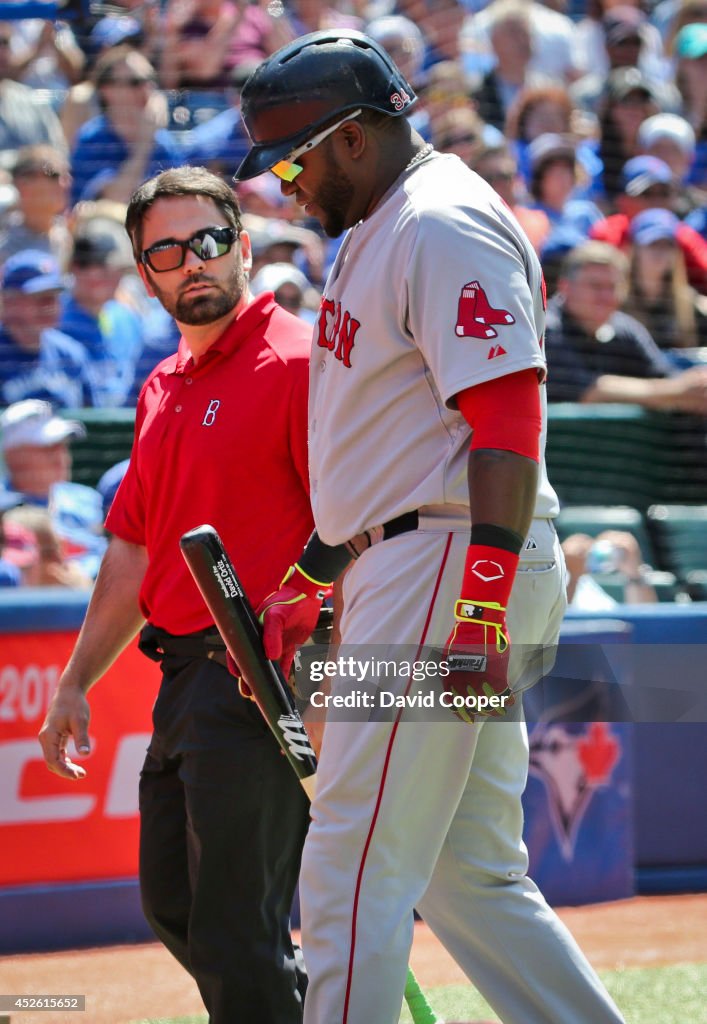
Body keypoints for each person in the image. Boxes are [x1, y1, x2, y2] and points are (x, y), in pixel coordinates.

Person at [234, 29, 626, 1024]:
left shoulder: (439, 219)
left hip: (450, 562)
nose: (283, 184)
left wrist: (481, 603)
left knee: (346, 866)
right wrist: (317, 576)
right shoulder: (383, 220)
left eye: (292, 157)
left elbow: (504, 415)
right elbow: (390, 444)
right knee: (465, 874)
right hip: (413, 555)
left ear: (354, 139)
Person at [38, 166, 314, 1024]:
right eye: (166, 249)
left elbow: (359, 528)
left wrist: (320, 659)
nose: (191, 261)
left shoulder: (301, 361)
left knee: (235, 930)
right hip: (185, 680)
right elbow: (130, 549)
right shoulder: (161, 386)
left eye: (207, 241)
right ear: (141, 269)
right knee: (176, 907)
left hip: (265, 678)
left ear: (241, 243)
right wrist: (76, 680)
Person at [544, 240, 707, 411]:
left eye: (613, 287)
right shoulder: (547, 328)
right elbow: (588, 391)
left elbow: (665, 376)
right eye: (595, 286)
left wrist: (695, 386)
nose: (606, 297)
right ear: (565, 287)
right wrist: (676, 390)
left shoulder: (626, 328)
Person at [0, 399, 107, 581]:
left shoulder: (89, 499)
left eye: (63, 446)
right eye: (48, 448)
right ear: (14, 456)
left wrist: (83, 576)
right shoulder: (3, 508)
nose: (61, 457)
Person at [0, 249, 89, 409]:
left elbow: (93, 422)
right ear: (9, 302)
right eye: (39, 297)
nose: (50, 306)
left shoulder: (70, 353)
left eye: (54, 296)